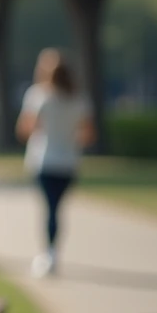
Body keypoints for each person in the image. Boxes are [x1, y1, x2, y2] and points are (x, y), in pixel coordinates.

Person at [16, 48, 96, 278]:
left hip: (44, 160)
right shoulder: (79, 99)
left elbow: (24, 129)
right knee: (56, 209)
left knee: (49, 209)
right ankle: (52, 251)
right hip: (68, 162)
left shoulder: (38, 96)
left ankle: (49, 253)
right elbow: (88, 134)